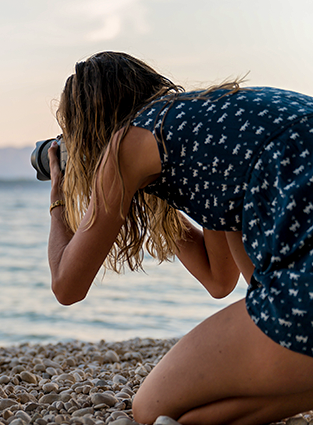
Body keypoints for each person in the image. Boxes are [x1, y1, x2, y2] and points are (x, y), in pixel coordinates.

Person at [48, 51, 313, 424]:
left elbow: (67, 285)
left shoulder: (127, 143)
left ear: (92, 130)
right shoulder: (216, 122)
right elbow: (219, 280)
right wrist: (146, 196)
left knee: (153, 409)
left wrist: (58, 193)